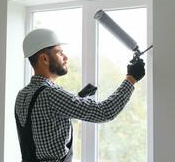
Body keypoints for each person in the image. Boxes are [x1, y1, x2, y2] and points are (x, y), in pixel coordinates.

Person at [15, 28, 145, 162]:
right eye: (60, 53)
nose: (66, 58)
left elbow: (47, 121)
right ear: (44, 58)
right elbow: (105, 112)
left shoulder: (23, 94)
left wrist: (79, 97)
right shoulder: (51, 94)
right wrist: (131, 78)